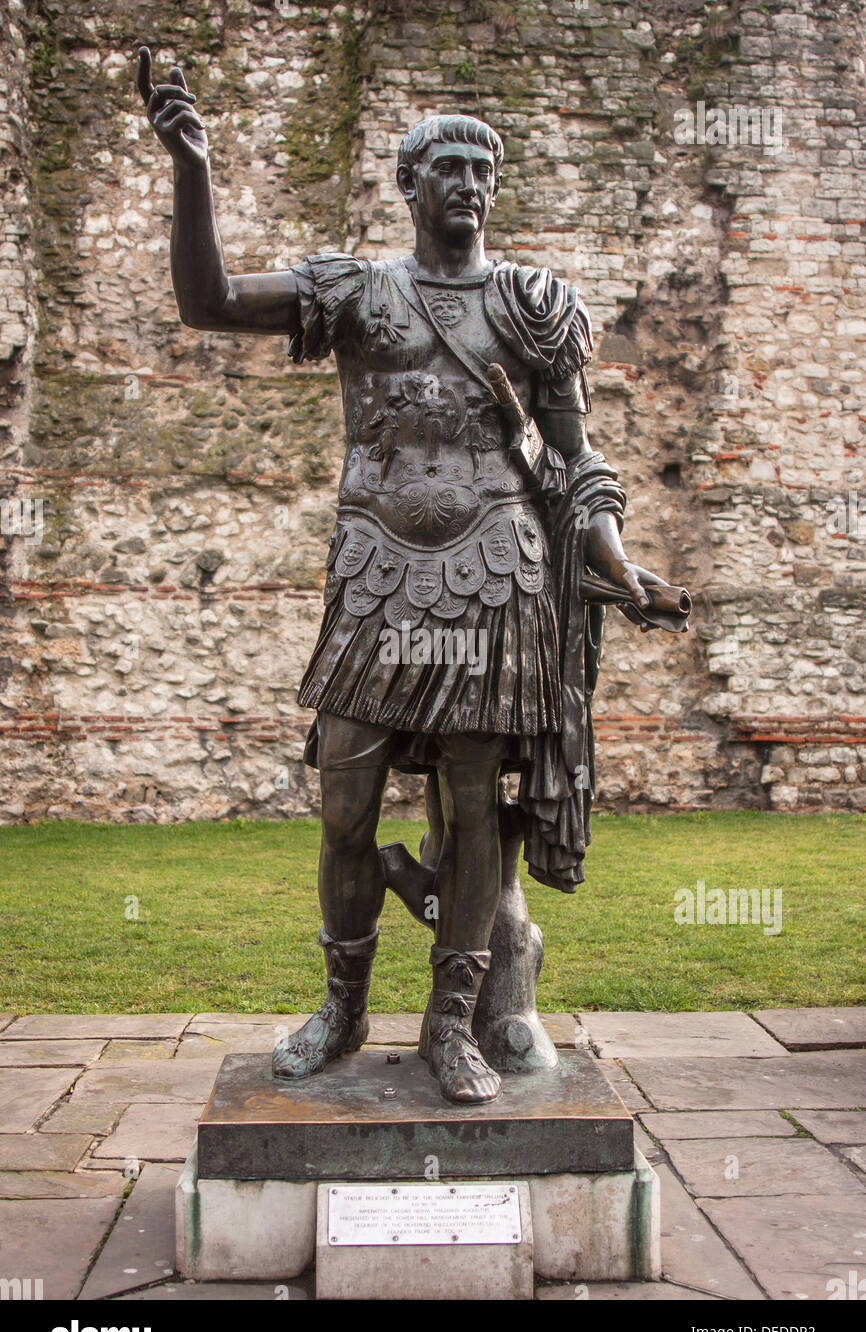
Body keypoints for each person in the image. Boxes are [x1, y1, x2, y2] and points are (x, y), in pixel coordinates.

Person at [138, 49, 669, 1103]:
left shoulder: (530, 304)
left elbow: (570, 459)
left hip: (492, 570)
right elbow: (207, 300)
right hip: (378, 571)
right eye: (449, 169)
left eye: (483, 170)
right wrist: (191, 169)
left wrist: (611, 556)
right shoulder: (356, 292)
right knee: (346, 802)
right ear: (409, 185)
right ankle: (340, 1007)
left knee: (471, 806)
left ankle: (451, 1021)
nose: (468, 185)